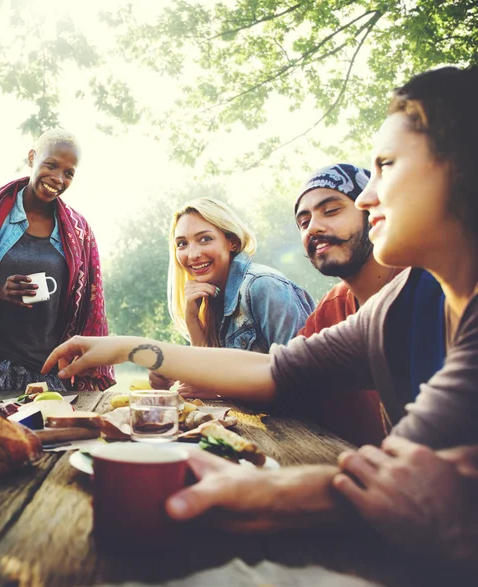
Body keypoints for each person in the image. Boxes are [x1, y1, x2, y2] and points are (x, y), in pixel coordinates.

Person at [42, 66, 478, 566]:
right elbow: (275, 370)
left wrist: (268, 490)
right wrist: (125, 346)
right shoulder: (397, 307)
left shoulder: (268, 287)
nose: (366, 197)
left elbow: (408, 485)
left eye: (387, 166)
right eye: (303, 219)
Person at [0, 129, 114, 393]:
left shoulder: (79, 231)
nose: (58, 178)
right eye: (52, 165)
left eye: (69, 173)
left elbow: (89, 308)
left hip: (51, 376)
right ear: (32, 158)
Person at [294, 163, 444, 446]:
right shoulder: (331, 308)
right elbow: (278, 371)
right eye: (303, 222)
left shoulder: (430, 291)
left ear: (371, 214)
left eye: (331, 210)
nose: (313, 227)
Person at [151, 198, 314, 391]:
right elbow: (207, 373)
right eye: (182, 243)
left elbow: (304, 380)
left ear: (233, 243)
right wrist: (192, 320)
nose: (192, 254)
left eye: (205, 239)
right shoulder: (210, 295)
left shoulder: (263, 286)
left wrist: (217, 389)